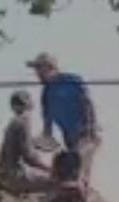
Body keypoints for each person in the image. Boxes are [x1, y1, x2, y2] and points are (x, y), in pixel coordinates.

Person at [26, 52, 100, 183]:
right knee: (66, 169)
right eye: (35, 69)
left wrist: (90, 131)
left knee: (78, 166)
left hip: (86, 134)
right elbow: (47, 130)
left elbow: (87, 104)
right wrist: (34, 143)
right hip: (70, 138)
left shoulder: (71, 80)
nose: (37, 73)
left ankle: (82, 191)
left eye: (39, 68)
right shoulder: (46, 94)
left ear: (49, 67)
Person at [0, 89, 51, 193]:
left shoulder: (13, 122)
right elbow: (29, 156)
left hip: (6, 175)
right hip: (15, 176)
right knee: (58, 181)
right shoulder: (24, 120)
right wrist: (48, 168)